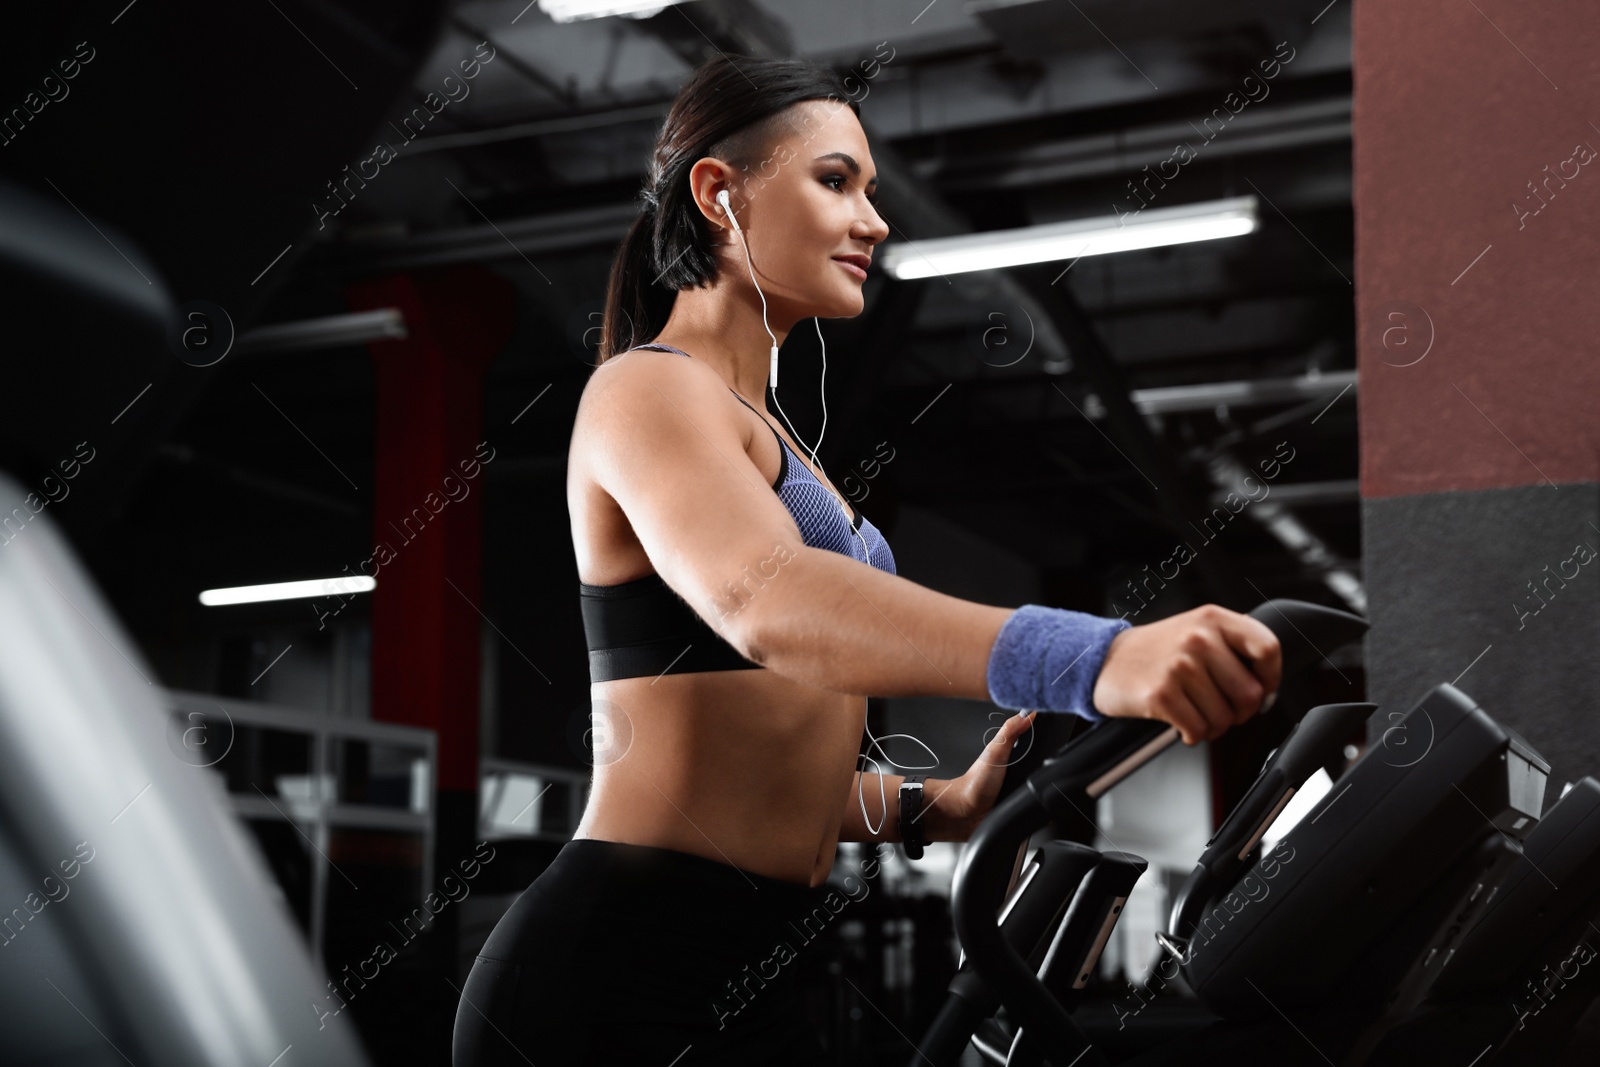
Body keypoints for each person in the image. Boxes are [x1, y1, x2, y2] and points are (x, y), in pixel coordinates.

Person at [452, 52, 1282, 1067]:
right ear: (721, 193)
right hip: (614, 972)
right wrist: (1091, 657)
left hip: (754, 962)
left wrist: (940, 804)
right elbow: (771, 601)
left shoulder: (774, 437)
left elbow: (760, 762)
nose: (875, 221)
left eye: (872, 191)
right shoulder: (646, 391)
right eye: (836, 180)